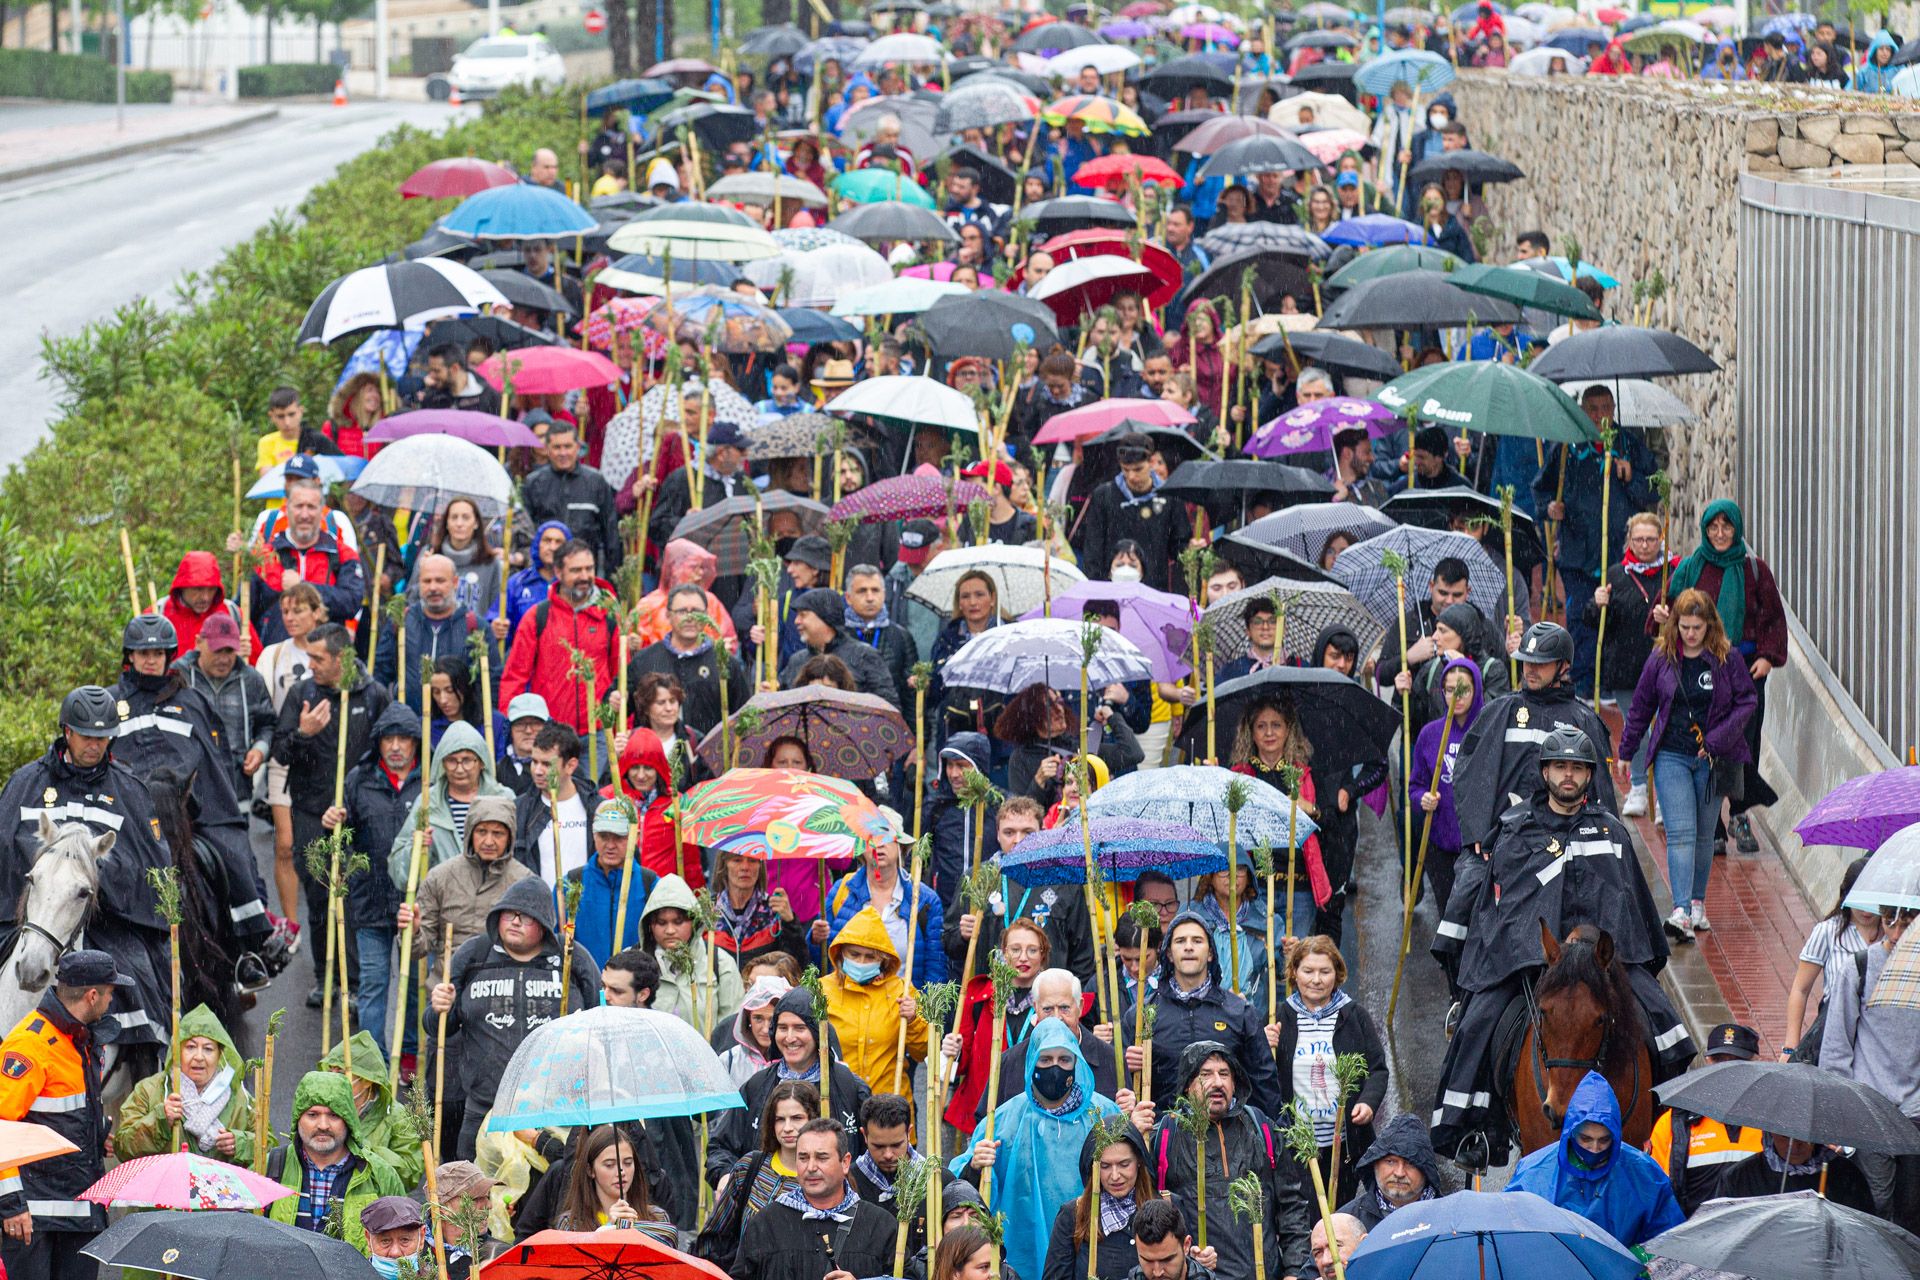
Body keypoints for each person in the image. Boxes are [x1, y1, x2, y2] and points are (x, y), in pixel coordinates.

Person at [1431, 730, 1687, 1168]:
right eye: (1560, 767)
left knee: (1664, 1023)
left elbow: (1629, 908)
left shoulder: (1612, 832)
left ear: (1588, 775)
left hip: (1603, 962)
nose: (1568, 776)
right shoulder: (1515, 831)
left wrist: (1592, 945)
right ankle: (1478, 1127)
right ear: (1545, 771)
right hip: (1532, 963)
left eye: (1578, 768)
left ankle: (1672, 1119)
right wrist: (1536, 950)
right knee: (1480, 1019)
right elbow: (1505, 910)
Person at [1617, 590, 1757, 941]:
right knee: (1680, 833)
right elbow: (1641, 706)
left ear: (1709, 626)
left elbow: (1747, 701)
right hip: (1671, 755)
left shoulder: (1727, 659)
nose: (1691, 634)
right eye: (1684, 627)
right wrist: (1625, 750)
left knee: (1704, 834)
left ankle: (1697, 901)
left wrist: (1718, 739)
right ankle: (1680, 909)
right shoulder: (1662, 658)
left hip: (1712, 759)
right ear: (1675, 626)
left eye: (1697, 627)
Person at [431, 876, 600, 1159]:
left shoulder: (570, 956)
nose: (515, 922)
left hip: (554, 1110)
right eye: (509, 913)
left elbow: (597, 1019)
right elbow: (441, 1029)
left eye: (527, 917)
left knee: (549, 1196)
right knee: (474, 1197)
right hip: (485, 1109)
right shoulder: (474, 954)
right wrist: (440, 1008)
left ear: (544, 925)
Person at [953, 1019, 1132, 1280]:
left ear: (1076, 1062)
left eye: (1064, 1059)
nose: (1055, 1068)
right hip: (1022, 1253)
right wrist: (974, 1166)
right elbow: (960, 1191)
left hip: (1092, 1247)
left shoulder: (1103, 1114)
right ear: (1031, 1063)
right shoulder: (1002, 1120)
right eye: (1045, 1059)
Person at [274, 623, 393, 1004]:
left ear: (342, 658)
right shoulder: (301, 693)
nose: (310, 665)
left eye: (318, 658)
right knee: (321, 895)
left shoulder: (372, 693)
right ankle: (326, 977)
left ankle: (357, 983)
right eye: (308, 656)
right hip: (311, 809)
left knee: (358, 894)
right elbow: (280, 753)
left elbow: (388, 747)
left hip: (359, 814)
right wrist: (303, 733)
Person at [1665, 499, 1786, 854]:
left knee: (1743, 743)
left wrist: (1767, 657)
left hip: (1746, 673)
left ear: (1737, 529)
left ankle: (1740, 811)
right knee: (1704, 742)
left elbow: (1773, 619)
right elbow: (1671, 613)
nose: (1720, 534)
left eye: (1727, 527)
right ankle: (1714, 825)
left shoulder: (1753, 570)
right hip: (1699, 671)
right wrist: (1659, 615)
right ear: (1704, 529)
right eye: (1713, 527)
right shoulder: (1690, 569)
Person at [0, 951, 125, 1280]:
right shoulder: (30, 1046)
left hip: (79, 1211)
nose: (112, 1002)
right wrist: (11, 1205)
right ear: (92, 995)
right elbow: (1, 1128)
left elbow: (59, 1113)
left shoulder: (79, 1038)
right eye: (110, 993)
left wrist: (94, 1134)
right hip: (31, 1220)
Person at [1448, 622, 1616, 857]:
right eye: (1527, 661)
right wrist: (1476, 828)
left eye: (1541, 663)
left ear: (1564, 665)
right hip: (1499, 843)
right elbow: (1470, 770)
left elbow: (1601, 795)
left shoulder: (1585, 721)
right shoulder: (1498, 711)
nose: (1531, 669)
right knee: (1465, 892)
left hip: (1559, 847)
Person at [1147, 1041, 1310, 1280]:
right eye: (1205, 1074)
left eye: (1224, 1074)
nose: (1217, 1083)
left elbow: (1292, 1207)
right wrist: (1187, 1258)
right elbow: (1152, 1217)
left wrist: (1295, 1271)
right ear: (1187, 1085)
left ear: (1235, 1082)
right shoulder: (1165, 1137)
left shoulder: (1261, 1128)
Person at [1534, 399, 1656, 690]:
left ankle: (1611, 682)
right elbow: (1541, 488)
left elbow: (1652, 490)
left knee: (1618, 618)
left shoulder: (1629, 445)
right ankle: (1585, 683)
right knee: (1581, 618)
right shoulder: (1567, 448)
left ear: (1614, 409)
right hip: (1577, 553)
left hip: (1619, 556)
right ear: (1583, 412)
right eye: (1593, 409)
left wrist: (1631, 477)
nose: (1601, 415)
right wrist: (1550, 508)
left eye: (1606, 408)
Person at [330, 702, 423, 1061]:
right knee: (373, 984)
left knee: (415, 984)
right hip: (370, 899)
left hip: (414, 901)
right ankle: (372, 1060)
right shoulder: (359, 779)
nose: (396, 746)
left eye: (404, 738)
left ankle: (411, 1053)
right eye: (389, 739)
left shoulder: (428, 781)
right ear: (378, 742)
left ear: (415, 742)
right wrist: (334, 823)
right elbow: (345, 837)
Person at [1266, 937, 1387, 1209]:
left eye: (1325, 971)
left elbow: (1378, 1069)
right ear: (1294, 972)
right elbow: (1262, 1077)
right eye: (1308, 971)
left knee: (1339, 1210)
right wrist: (1263, 1047)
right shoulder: (1280, 1017)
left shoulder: (1354, 1016)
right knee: (1306, 1212)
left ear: (1338, 973)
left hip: (1344, 1141)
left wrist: (1368, 1102)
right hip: (1297, 1142)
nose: (1316, 980)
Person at [1126, 913, 1285, 1117]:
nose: (1189, 947)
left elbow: (1264, 1083)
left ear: (1210, 953)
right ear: (1168, 954)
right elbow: (1124, 1091)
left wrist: (1272, 1135)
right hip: (1165, 1136)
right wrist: (1129, 1068)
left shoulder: (1239, 1012)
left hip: (1228, 1136)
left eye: (1197, 940)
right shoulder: (1143, 1016)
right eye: (1180, 941)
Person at [707, 987, 871, 1181]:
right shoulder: (757, 1086)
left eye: (800, 1028)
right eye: (783, 1028)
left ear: (818, 1032)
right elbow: (720, 1147)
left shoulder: (847, 1086)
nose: (790, 1037)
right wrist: (727, 1176)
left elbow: (873, 1153)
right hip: (767, 1202)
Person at [1819, 906, 1920, 1219]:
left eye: (1907, 924)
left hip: (1915, 1113)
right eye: (1891, 923)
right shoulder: (1860, 967)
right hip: (1870, 1109)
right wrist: (1838, 1114)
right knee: (1875, 1207)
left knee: (1912, 1213)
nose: (1897, 934)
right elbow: (1836, 1046)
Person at [1505, 1071, 1683, 1248]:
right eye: (1586, 1139)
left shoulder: (1644, 1173)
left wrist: (1642, 1255)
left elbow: (1668, 1238)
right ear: (1571, 1133)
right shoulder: (1532, 1173)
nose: (1595, 1148)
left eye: (1604, 1140)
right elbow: (1511, 1235)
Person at [734, 1119, 898, 1280]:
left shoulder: (879, 1225)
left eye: (822, 1157)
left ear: (845, 1162)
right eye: (803, 1158)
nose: (811, 1167)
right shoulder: (767, 1223)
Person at [1585, 512, 1671, 816]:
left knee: (1664, 728)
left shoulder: (1673, 573)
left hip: (1665, 665)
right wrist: (1597, 605)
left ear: (1661, 539)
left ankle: (1663, 794)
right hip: (1625, 665)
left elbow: (1692, 617)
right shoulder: (1616, 575)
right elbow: (1594, 623)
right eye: (1638, 539)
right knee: (1635, 727)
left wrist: (1669, 619)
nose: (1645, 545)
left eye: (1650, 539)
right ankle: (1637, 786)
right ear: (1629, 541)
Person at [266, 1069, 408, 1253]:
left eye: (334, 1115)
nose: (323, 1125)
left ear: (348, 1121)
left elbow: (404, 1245)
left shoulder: (377, 1173)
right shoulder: (273, 1165)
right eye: (312, 1115)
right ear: (297, 1119)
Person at [1644, 1022, 1766, 1215]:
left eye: (1736, 1061)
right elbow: (1652, 1196)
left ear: (1755, 1063)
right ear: (1707, 1062)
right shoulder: (1672, 1124)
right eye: (1719, 1060)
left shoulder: (1773, 1125)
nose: (1726, 1070)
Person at [500, 540, 618, 737]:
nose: (585, 576)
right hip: (550, 731)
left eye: (589, 569)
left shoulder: (609, 615)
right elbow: (515, 676)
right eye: (576, 570)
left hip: (599, 733)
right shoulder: (538, 616)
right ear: (558, 571)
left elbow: (620, 675)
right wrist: (509, 726)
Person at [113, 1003, 257, 1163]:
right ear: (177, 1051)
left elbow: (268, 1144)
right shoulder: (149, 1090)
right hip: (170, 1186)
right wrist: (161, 1121)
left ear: (220, 1055)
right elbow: (122, 1146)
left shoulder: (239, 1096)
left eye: (208, 1049)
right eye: (191, 1047)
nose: (199, 1057)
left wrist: (240, 1143)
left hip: (223, 1187)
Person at [384, 719, 512, 889]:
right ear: (442, 763)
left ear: (481, 762)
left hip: (493, 902)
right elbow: (400, 875)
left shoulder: (503, 799)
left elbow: (517, 858)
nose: (459, 769)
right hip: (442, 905)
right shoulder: (427, 803)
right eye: (452, 760)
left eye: (467, 760)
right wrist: (416, 849)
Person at [818, 906, 929, 1094]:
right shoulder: (821, 990)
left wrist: (913, 1020)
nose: (861, 962)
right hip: (836, 1100)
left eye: (870, 956)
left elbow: (923, 1052)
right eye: (854, 954)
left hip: (888, 1102)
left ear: (883, 959)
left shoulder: (902, 991)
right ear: (841, 953)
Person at [1782, 856, 1881, 1062]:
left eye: (1873, 901)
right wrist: (1790, 1047)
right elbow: (1800, 989)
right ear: (1846, 896)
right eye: (1859, 900)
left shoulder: (1892, 936)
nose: (1865, 910)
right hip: (1834, 1033)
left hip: (1877, 1036)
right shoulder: (1828, 932)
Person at [1408, 658, 1483, 929]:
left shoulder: (1488, 730)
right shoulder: (1430, 734)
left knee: (1476, 920)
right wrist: (1422, 800)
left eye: (1463, 689)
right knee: (1448, 920)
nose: (1456, 696)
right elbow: (1415, 786)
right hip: (1439, 844)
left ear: (1476, 689)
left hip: (1478, 847)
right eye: (1450, 689)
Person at [628, 584, 753, 740]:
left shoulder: (724, 662)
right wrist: (614, 702)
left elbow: (743, 715)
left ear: (707, 615)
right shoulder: (645, 660)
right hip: (655, 758)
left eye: (696, 611)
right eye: (681, 611)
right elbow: (621, 708)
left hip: (709, 758)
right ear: (668, 615)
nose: (690, 617)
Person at [172, 611, 273, 801]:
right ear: (198, 642)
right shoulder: (177, 676)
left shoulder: (251, 679)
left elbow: (267, 724)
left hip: (237, 790)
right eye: (217, 650)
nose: (224, 659)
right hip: (188, 791)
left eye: (230, 651)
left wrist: (260, 750)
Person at [828, 825, 944, 987]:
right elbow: (824, 956)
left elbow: (935, 967)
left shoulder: (924, 900)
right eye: (873, 838)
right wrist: (815, 938)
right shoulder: (843, 890)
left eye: (887, 838)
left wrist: (920, 1008)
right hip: (846, 1005)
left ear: (900, 848)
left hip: (900, 1007)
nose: (879, 845)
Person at [1076, 433, 1189, 594]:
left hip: (1153, 590)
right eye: (1125, 470)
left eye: (1138, 469)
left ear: (1151, 462)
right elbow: (1093, 550)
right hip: (1111, 589)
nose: (1131, 476)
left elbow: (1179, 547)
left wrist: (1192, 552)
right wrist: (1097, 593)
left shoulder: (1170, 496)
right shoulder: (1104, 495)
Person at [1044, 1125, 1160, 1280]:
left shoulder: (1164, 1207)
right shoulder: (1073, 1215)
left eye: (1124, 1164)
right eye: (1105, 1166)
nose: (1115, 1176)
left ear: (1139, 1161)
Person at [317, 1030, 426, 1190]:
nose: (333, 1080)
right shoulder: (320, 1109)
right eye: (330, 1072)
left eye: (341, 1073)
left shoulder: (398, 1116)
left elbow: (409, 1175)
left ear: (368, 1081)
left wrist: (362, 1147)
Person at [378, 554, 491, 707]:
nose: (433, 588)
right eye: (427, 581)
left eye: (440, 581)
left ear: (455, 582)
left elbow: (491, 681)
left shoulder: (475, 627)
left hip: (458, 723)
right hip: (409, 721)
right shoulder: (401, 622)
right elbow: (380, 672)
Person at [850, 1093, 953, 1258]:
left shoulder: (938, 1179)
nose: (889, 1155)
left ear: (909, 1133)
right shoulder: (849, 1182)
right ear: (864, 1135)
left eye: (897, 1145)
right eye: (879, 1146)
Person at [642, 873, 743, 1033]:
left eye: (678, 922)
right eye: (661, 923)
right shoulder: (634, 963)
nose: (670, 930)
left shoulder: (720, 964)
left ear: (694, 922)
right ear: (649, 925)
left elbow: (732, 1027)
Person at [565, 801, 660, 966]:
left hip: (634, 985)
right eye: (603, 836)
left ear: (635, 837)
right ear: (593, 835)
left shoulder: (650, 884)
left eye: (619, 837)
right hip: (583, 984)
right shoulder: (572, 883)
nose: (610, 845)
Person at [778, 588, 901, 707]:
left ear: (825, 618)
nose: (796, 621)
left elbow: (888, 706)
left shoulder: (864, 656)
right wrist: (772, 693)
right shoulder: (797, 660)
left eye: (803, 615)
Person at [549, 1125, 676, 1240]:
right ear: (590, 1170)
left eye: (628, 1163)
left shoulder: (657, 1217)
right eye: (609, 1165)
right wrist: (607, 1230)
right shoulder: (570, 1224)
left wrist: (639, 1232)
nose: (621, 1172)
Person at [647, 419, 754, 554]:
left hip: (733, 563)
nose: (746, 454)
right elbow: (656, 526)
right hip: (695, 565)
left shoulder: (741, 479)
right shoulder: (683, 479)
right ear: (722, 453)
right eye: (741, 449)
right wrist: (685, 523)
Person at [1337, 1115, 1440, 1231]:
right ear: (1374, 1164)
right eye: (1390, 1162)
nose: (1399, 1173)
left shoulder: (1448, 1217)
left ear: (1426, 1171)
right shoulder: (1345, 1223)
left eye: (1411, 1163)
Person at [712, 849, 808, 971]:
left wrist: (790, 923)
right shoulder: (707, 911)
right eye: (737, 860)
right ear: (724, 865)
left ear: (760, 866)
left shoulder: (775, 911)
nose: (745, 867)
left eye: (753, 860)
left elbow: (797, 968)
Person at [160, 549, 259, 662]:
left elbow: (258, 666)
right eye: (198, 589)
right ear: (182, 586)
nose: (205, 597)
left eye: (211, 589)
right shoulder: (159, 614)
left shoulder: (232, 613)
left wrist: (238, 661)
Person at [362, 1196, 471, 1280]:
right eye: (385, 1241)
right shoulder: (351, 1275)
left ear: (422, 1237)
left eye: (405, 1240)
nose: (395, 1253)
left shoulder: (434, 1277)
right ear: (368, 1239)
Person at [503, 520, 571, 641]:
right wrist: (496, 627)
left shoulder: (576, 583)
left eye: (558, 542)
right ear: (537, 544)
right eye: (547, 541)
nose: (552, 547)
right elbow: (498, 621)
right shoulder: (517, 583)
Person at [418, 343, 503, 415]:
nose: (431, 375)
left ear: (455, 368)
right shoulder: (432, 397)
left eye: (436, 371)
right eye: (430, 370)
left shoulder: (489, 397)